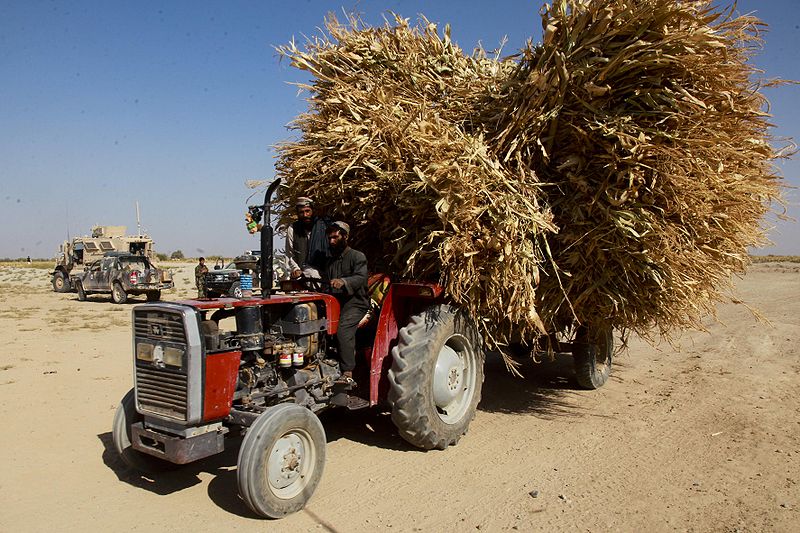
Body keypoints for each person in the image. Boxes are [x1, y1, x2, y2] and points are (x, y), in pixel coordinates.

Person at [324, 221, 368, 384]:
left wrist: (344, 281)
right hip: (336, 301)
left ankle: (347, 372)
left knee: (342, 331)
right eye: (329, 238)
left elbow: (360, 278)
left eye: (335, 237)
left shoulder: (357, 256)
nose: (331, 241)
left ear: (345, 236)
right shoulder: (330, 261)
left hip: (355, 303)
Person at [285, 197, 330, 279]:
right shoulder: (293, 229)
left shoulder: (324, 227)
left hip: (324, 274)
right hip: (302, 275)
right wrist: (296, 269)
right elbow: (290, 254)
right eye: (301, 212)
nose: (305, 215)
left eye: (307, 211)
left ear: (313, 211)